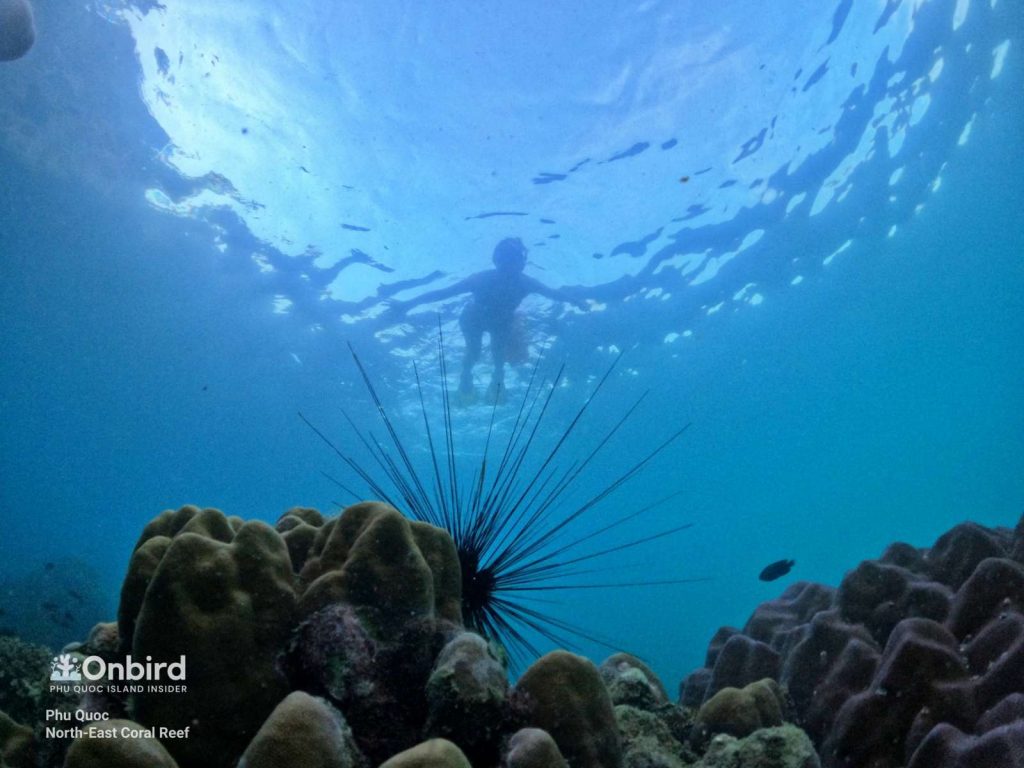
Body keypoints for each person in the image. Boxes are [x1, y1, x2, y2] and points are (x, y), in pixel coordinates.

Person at [388, 237, 585, 403]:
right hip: (480, 319)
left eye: (512, 260)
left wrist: (408, 304)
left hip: (488, 320)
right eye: (508, 260)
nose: (509, 266)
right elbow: (554, 294)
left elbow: (442, 293)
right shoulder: (519, 281)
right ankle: (476, 376)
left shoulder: (492, 279)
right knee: (485, 354)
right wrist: (575, 302)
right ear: (501, 261)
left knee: (492, 356)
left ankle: (476, 377)